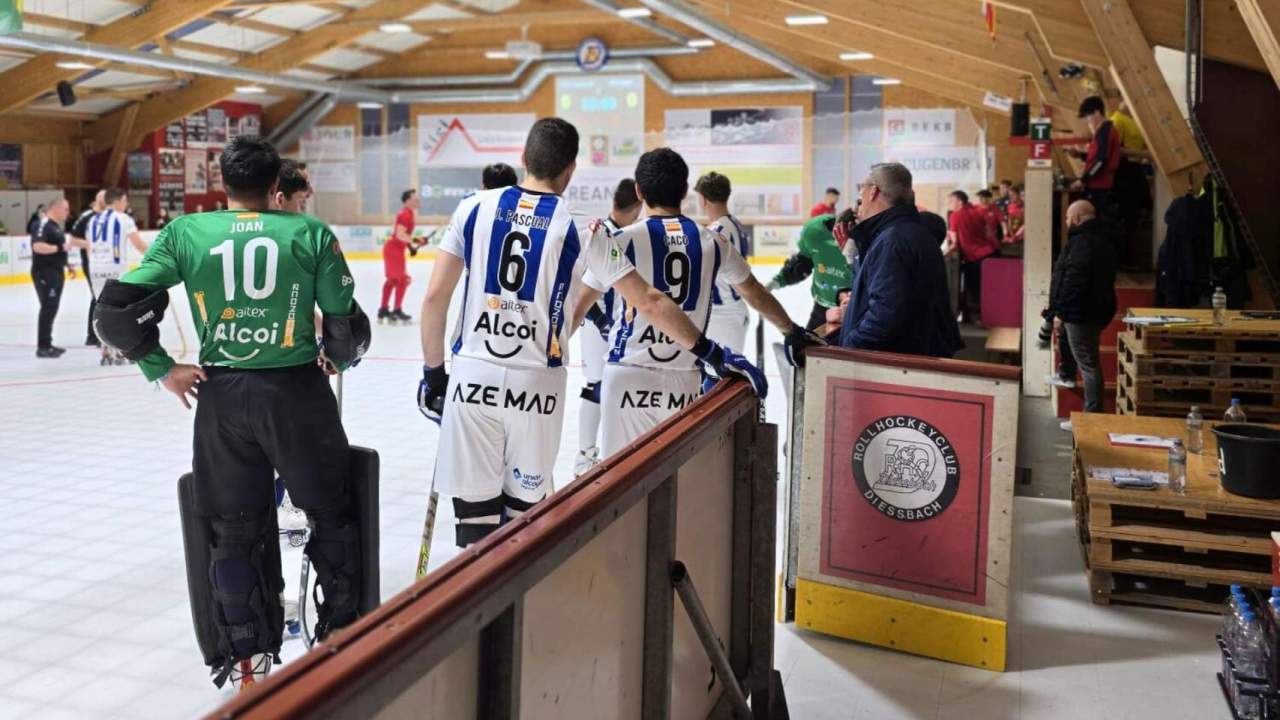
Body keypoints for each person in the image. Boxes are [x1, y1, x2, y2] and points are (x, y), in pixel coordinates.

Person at [92, 136, 371, 689]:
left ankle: (249, 660)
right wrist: (335, 359)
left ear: (224, 186)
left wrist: (161, 368)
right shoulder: (308, 232)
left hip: (222, 400)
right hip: (297, 394)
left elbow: (114, 315)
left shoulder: (186, 233)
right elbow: (344, 325)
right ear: (276, 188)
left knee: (233, 531)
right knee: (333, 516)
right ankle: (340, 647)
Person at [417, 118, 767, 548]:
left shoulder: (472, 207)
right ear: (571, 170)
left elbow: (435, 298)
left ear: (524, 158)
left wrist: (434, 375)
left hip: (472, 380)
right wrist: (708, 350)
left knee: (474, 529)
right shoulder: (587, 228)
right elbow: (650, 301)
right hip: (536, 387)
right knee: (518, 529)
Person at [574, 148, 819, 456]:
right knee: (677, 479)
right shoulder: (713, 241)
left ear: (639, 191)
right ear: (685, 191)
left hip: (628, 375)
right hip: (684, 374)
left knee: (621, 484)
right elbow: (752, 288)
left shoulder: (620, 241)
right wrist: (790, 330)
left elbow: (579, 303)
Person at [840, 163, 962, 358]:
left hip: (893, 363)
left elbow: (885, 314)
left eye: (861, 190)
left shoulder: (892, 241)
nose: (859, 198)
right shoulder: (907, 233)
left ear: (873, 192)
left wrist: (850, 345)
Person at [575, 178, 642, 475]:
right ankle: (585, 455)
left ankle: (615, 451)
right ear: (637, 206)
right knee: (596, 385)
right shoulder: (601, 235)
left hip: (618, 325)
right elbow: (581, 288)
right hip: (596, 324)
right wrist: (601, 321)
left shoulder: (627, 234)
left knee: (618, 385)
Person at [1051, 200, 1117, 430]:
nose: (1067, 222)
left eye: (1069, 218)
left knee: (1088, 365)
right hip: (1096, 309)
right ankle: (1091, 413)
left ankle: (1091, 418)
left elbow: (1073, 281)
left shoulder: (1081, 243)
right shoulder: (1105, 239)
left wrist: (1061, 312)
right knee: (1088, 361)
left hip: (1081, 313)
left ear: (1077, 218)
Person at [89, 189, 149, 364]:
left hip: (95, 269)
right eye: (124, 201)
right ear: (116, 202)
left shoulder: (94, 219)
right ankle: (121, 351)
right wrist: (157, 257)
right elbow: (138, 244)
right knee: (118, 311)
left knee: (101, 308)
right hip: (115, 268)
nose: (126, 204)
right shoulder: (123, 219)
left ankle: (105, 351)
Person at [694, 171, 751, 352]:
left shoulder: (717, 229)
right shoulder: (734, 224)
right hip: (729, 313)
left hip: (723, 315)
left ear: (703, 199)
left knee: (723, 376)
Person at [767, 212, 853, 330]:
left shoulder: (865, 241)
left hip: (852, 311)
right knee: (810, 345)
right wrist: (777, 281)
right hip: (821, 308)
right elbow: (802, 264)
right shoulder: (814, 232)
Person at [943, 189, 998, 322]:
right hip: (989, 254)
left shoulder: (955, 216)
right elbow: (989, 233)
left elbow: (954, 241)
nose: (949, 204)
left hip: (973, 258)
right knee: (988, 289)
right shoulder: (979, 212)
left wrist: (945, 252)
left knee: (973, 290)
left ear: (960, 202)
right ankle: (989, 317)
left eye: (951, 201)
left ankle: (976, 318)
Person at [30, 198, 72, 358]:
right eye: (66, 209)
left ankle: (47, 343)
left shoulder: (55, 227)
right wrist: (60, 247)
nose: (68, 213)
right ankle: (43, 346)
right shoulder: (43, 224)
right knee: (48, 307)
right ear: (56, 209)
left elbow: (58, 251)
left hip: (56, 271)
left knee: (51, 307)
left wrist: (67, 264)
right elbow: (38, 246)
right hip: (45, 273)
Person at [1067, 96, 1121, 215]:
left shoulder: (1105, 132)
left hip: (1100, 187)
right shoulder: (1101, 132)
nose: (1087, 120)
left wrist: (1083, 180)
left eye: (1088, 116)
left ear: (1097, 112)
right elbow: (1097, 158)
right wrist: (1080, 155)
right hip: (1097, 185)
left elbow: (1101, 161)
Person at [70, 190, 106, 347]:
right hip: (91, 264)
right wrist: (91, 245)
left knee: (101, 297)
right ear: (98, 200)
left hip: (106, 263)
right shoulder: (87, 217)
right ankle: (93, 336)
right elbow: (72, 239)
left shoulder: (108, 218)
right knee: (98, 297)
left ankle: (96, 335)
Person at [380, 189, 419, 324]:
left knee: (392, 280)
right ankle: (396, 310)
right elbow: (399, 234)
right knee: (402, 280)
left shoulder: (408, 213)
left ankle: (383, 310)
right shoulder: (405, 214)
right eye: (414, 198)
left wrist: (410, 247)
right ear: (407, 200)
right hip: (394, 250)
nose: (417, 200)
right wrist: (415, 241)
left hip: (396, 250)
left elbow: (402, 236)